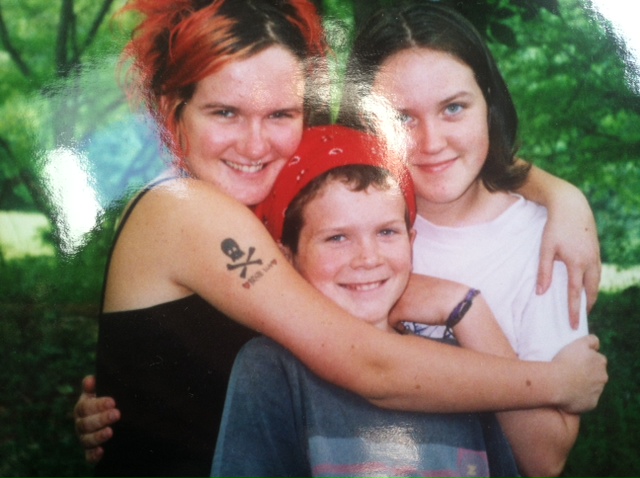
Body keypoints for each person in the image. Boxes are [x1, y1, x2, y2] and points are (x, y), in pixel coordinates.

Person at [73, 0, 607, 475]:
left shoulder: (264, 206)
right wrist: (556, 382)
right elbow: (372, 366)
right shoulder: (186, 209)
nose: (255, 143)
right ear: (173, 109)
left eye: (280, 114)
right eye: (225, 112)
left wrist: (557, 193)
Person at [338, 3, 593, 476]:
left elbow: (543, 457)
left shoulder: (544, 240)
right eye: (401, 118)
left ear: (488, 105)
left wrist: (462, 311)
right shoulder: (339, 227)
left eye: (453, 108)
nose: (432, 142)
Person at [212, 124, 521, 477]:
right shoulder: (273, 367)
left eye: (387, 232)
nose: (368, 258)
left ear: (411, 241)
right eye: (337, 238)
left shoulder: (458, 365)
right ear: (288, 258)